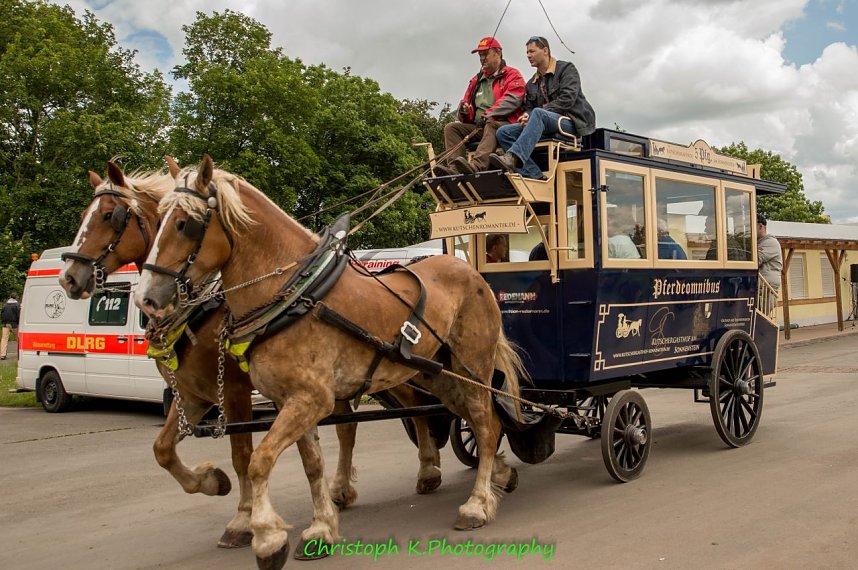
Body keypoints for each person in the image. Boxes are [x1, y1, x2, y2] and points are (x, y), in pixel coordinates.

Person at [489, 36, 596, 180]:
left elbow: (567, 99)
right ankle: (534, 174)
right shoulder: (531, 84)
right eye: (527, 52)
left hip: (572, 122)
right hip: (544, 123)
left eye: (532, 51)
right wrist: (527, 115)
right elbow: (528, 107)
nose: (528, 55)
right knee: (503, 132)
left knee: (539, 113)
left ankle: (512, 157)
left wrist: (535, 113)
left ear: (545, 50)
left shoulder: (566, 69)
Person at [433, 37, 526, 177]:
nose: (482, 58)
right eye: (480, 55)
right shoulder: (476, 80)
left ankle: (477, 166)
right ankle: (454, 170)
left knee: (492, 123)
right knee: (451, 128)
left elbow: (512, 99)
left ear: (498, 53)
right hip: (480, 127)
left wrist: (488, 114)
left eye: (485, 54)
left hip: (503, 125)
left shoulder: (512, 75)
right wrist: (465, 110)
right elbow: (465, 104)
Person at [757, 213, 782, 292]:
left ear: (760, 226)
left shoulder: (770, 242)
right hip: (760, 288)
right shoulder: (759, 243)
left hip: (766, 290)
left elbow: (756, 260)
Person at [1, 292, 21, 360]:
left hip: (5, 324)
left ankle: (2, 355)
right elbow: (19, 315)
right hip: (14, 324)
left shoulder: (5, 305)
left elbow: (2, 314)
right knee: (18, 339)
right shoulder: (17, 305)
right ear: (16, 297)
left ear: (10, 297)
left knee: (4, 339)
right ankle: (20, 353)